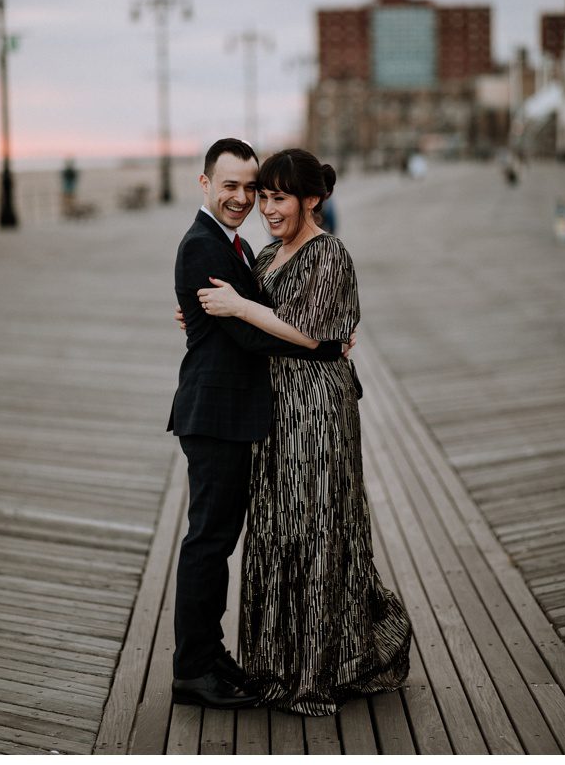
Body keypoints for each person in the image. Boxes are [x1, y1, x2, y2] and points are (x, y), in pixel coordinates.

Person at [196, 147, 413, 715]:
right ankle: (275, 662)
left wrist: (240, 308)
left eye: (279, 198)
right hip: (276, 408)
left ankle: (317, 666)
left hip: (319, 409)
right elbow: (250, 313)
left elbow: (309, 332)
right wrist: (211, 310)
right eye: (263, 197)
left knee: (317, 523)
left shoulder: (330, 254)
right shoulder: (268, 254)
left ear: (310, 199)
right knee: (277, 525)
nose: (266, 208)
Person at [168, 139, 348, 710]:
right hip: (216, 413)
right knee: (208, 543)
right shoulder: (203, 246)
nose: (243, 198)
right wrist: (325, 348)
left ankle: (209, 654)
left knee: (217, 541)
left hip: (235, 413)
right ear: (204, 185)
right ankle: (194, 669)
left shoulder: (236, 247)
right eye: (232, 186)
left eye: (253, 188)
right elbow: (248, 331)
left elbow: (251, 309)